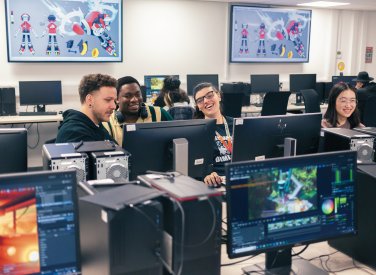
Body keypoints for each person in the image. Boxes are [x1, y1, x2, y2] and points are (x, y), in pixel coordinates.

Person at [104, 76, 172, 146]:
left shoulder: (159, 114)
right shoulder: (107, 122)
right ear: (117, 99)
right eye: (128, 96)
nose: (135, 99)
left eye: (138, 94)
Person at [56, 73, 117, 143]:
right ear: (90, 100)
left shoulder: (96, 125)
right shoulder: (75, 133)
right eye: (108, 100)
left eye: (114, 101)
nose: (114, 106)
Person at [193, 82, 233, 187]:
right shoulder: (197, 132)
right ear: (198, 106)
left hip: (239, 176)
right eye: (200, 100)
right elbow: (195, 169)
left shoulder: (236, 124)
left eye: (209, 95)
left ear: (219, 96)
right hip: (217, 183)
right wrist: (206, 176)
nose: (206, 101)